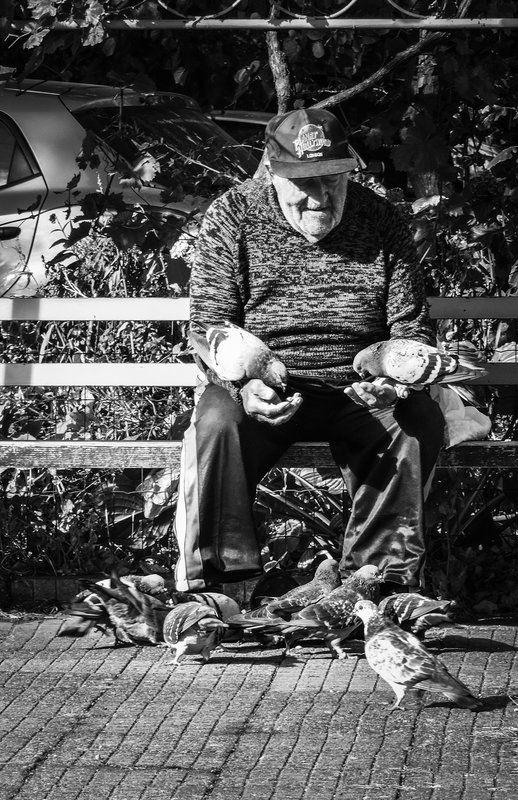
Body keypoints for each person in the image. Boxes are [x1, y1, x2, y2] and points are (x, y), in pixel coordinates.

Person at [173, 107, 445, 596]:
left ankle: (374, 586)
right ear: (272, 171)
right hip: (262, 385)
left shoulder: (382, 219)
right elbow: (209, 327)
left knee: (416, 421)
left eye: (332, 179)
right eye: (304, 182)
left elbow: (410, 326)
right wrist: (241, 385)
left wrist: (393, 383)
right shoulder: (233, 215)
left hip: (360, 389)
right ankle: (216, 586)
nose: (320, 196)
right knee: (215, 424)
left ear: (349, 169)